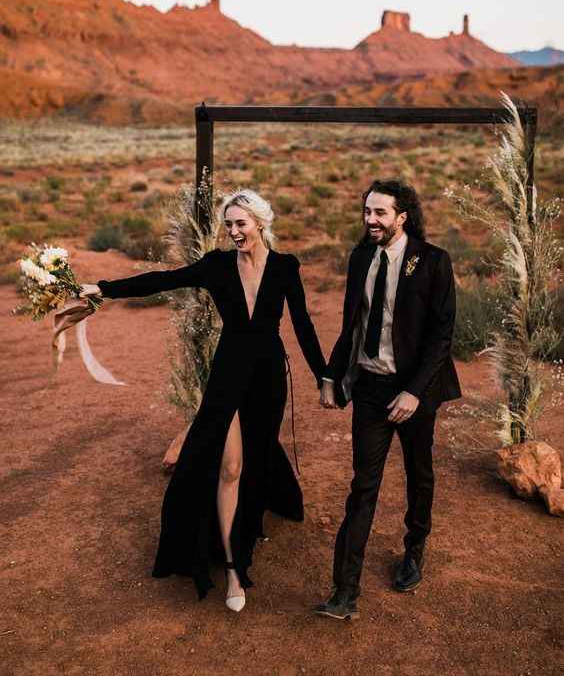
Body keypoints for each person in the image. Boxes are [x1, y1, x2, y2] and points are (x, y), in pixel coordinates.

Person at [80, 189, 326, 612]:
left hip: (268, 376)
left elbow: (302, 323)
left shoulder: (286, 267)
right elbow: (162, 280)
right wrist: (102, 288)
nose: (233, 232)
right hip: (228, 372)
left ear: (260, 223)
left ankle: (245, 531)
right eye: (228, 224)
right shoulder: (216, 266)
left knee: (257, 463)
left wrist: (324, 377)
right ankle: (233, 567)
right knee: (230, 467)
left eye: (240, 223)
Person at [314, 179, 461, 621]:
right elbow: (352, 324)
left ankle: (413, 554)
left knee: (420, 475)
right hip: (372, 390)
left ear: (402, 216)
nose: (370, 220)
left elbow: (442, 335)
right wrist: (331, 373)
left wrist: (414, 393)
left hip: (416, 390)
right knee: (363, 486)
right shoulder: (361, 257)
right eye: (366, 212)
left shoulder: (433, 261)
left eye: (380, 213)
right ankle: (345, 593)